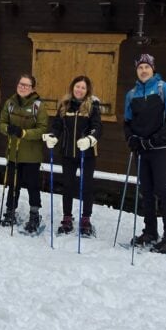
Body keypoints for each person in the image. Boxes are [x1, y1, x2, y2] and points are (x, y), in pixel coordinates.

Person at [123, 52, 166, 253]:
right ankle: (150, 231)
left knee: (163, 192)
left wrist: (156, 139)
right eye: (140, 67)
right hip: (142, 150)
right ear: (136, 70)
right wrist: (131, 139)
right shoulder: (131, 94)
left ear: (153, 69)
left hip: (159, 149)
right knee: (146, 192)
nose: (143, 70)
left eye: (147, 67)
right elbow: (127, 123)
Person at [44, 74, 102, 237]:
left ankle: (86, 219)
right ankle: (67, 217)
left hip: (87, 153)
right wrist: (53, 136)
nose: (80, 89)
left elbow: (97, 127)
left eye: (83, 87)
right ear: (72, 87)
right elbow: (57, 126)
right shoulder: (64, 105)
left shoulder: (93, 106)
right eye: (77, 86)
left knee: (87, 186)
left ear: (87, 90)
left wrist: (90, 139)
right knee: (68, 185)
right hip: (68, 153)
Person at [0, 73, 48, 232]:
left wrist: (24, 133)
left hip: (32, 154)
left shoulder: (38, 106)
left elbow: (43, 129)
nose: (23, 87)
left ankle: (34, 214)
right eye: (21, 84)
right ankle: (10, 211)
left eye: (26, 85)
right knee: (13, 184)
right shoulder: (10, 103)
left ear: (32, 88)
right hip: (14, 152)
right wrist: (8, 129)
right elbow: (1, 123)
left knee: (33, 185)